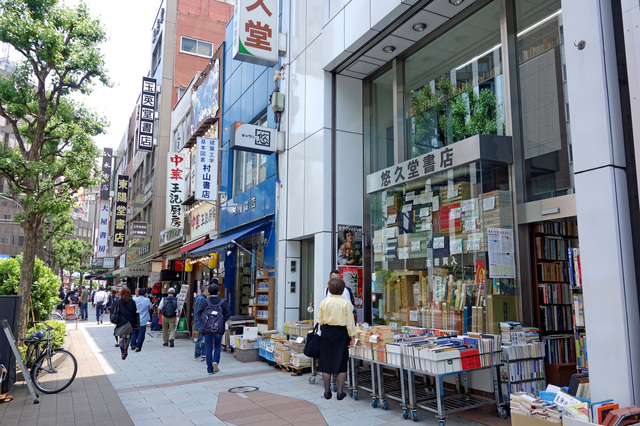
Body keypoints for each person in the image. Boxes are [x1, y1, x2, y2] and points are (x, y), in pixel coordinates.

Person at [317, 277, 356, 400]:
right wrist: (352, 337)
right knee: (341, 362)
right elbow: (350, 322)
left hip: (327, 332)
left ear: (330, 289)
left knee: (326, 362)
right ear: (343, 289)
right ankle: (340, 392)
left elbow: (320, 320)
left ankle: (327, 391)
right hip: (341, 333)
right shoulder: (346, 304)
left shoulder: (324, 302)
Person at [195, 282, 230, 375]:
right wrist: (222, 321)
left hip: (207, 328)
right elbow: (228, 314)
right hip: (218, 328)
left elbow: (198, 313)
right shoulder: (222, 302)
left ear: (209, 293)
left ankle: (209, 369)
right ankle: (215, 361)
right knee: (218, 346)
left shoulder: (206, 302)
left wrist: (203, 322)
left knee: (209, 347)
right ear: (218, 292)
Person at [113, 288, 138, 360]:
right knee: (127, 337)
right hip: (130, 322)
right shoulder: (132, 302)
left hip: (121, 322)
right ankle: (126, 350)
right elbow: (134, 312)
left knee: (121, 337)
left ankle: (122, 352)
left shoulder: (118, 301)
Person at [130, 288, 153, 352]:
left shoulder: (134, 299)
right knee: (141, 333)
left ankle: (133, 344)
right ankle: (138, 346)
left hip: (135, 317)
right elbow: (150, 307)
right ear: (145, 293)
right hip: (143, 318)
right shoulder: (147, 300)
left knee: (134, 332)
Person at [193, 282, 210, 361]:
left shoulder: (202, 298)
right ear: (205, 290)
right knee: (200, 338)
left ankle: (203, 353)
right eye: (208, 290)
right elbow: (198, 311)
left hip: (202, 320)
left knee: (203, 338)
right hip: (201, 321)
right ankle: (197, 355)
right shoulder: (201, 298)